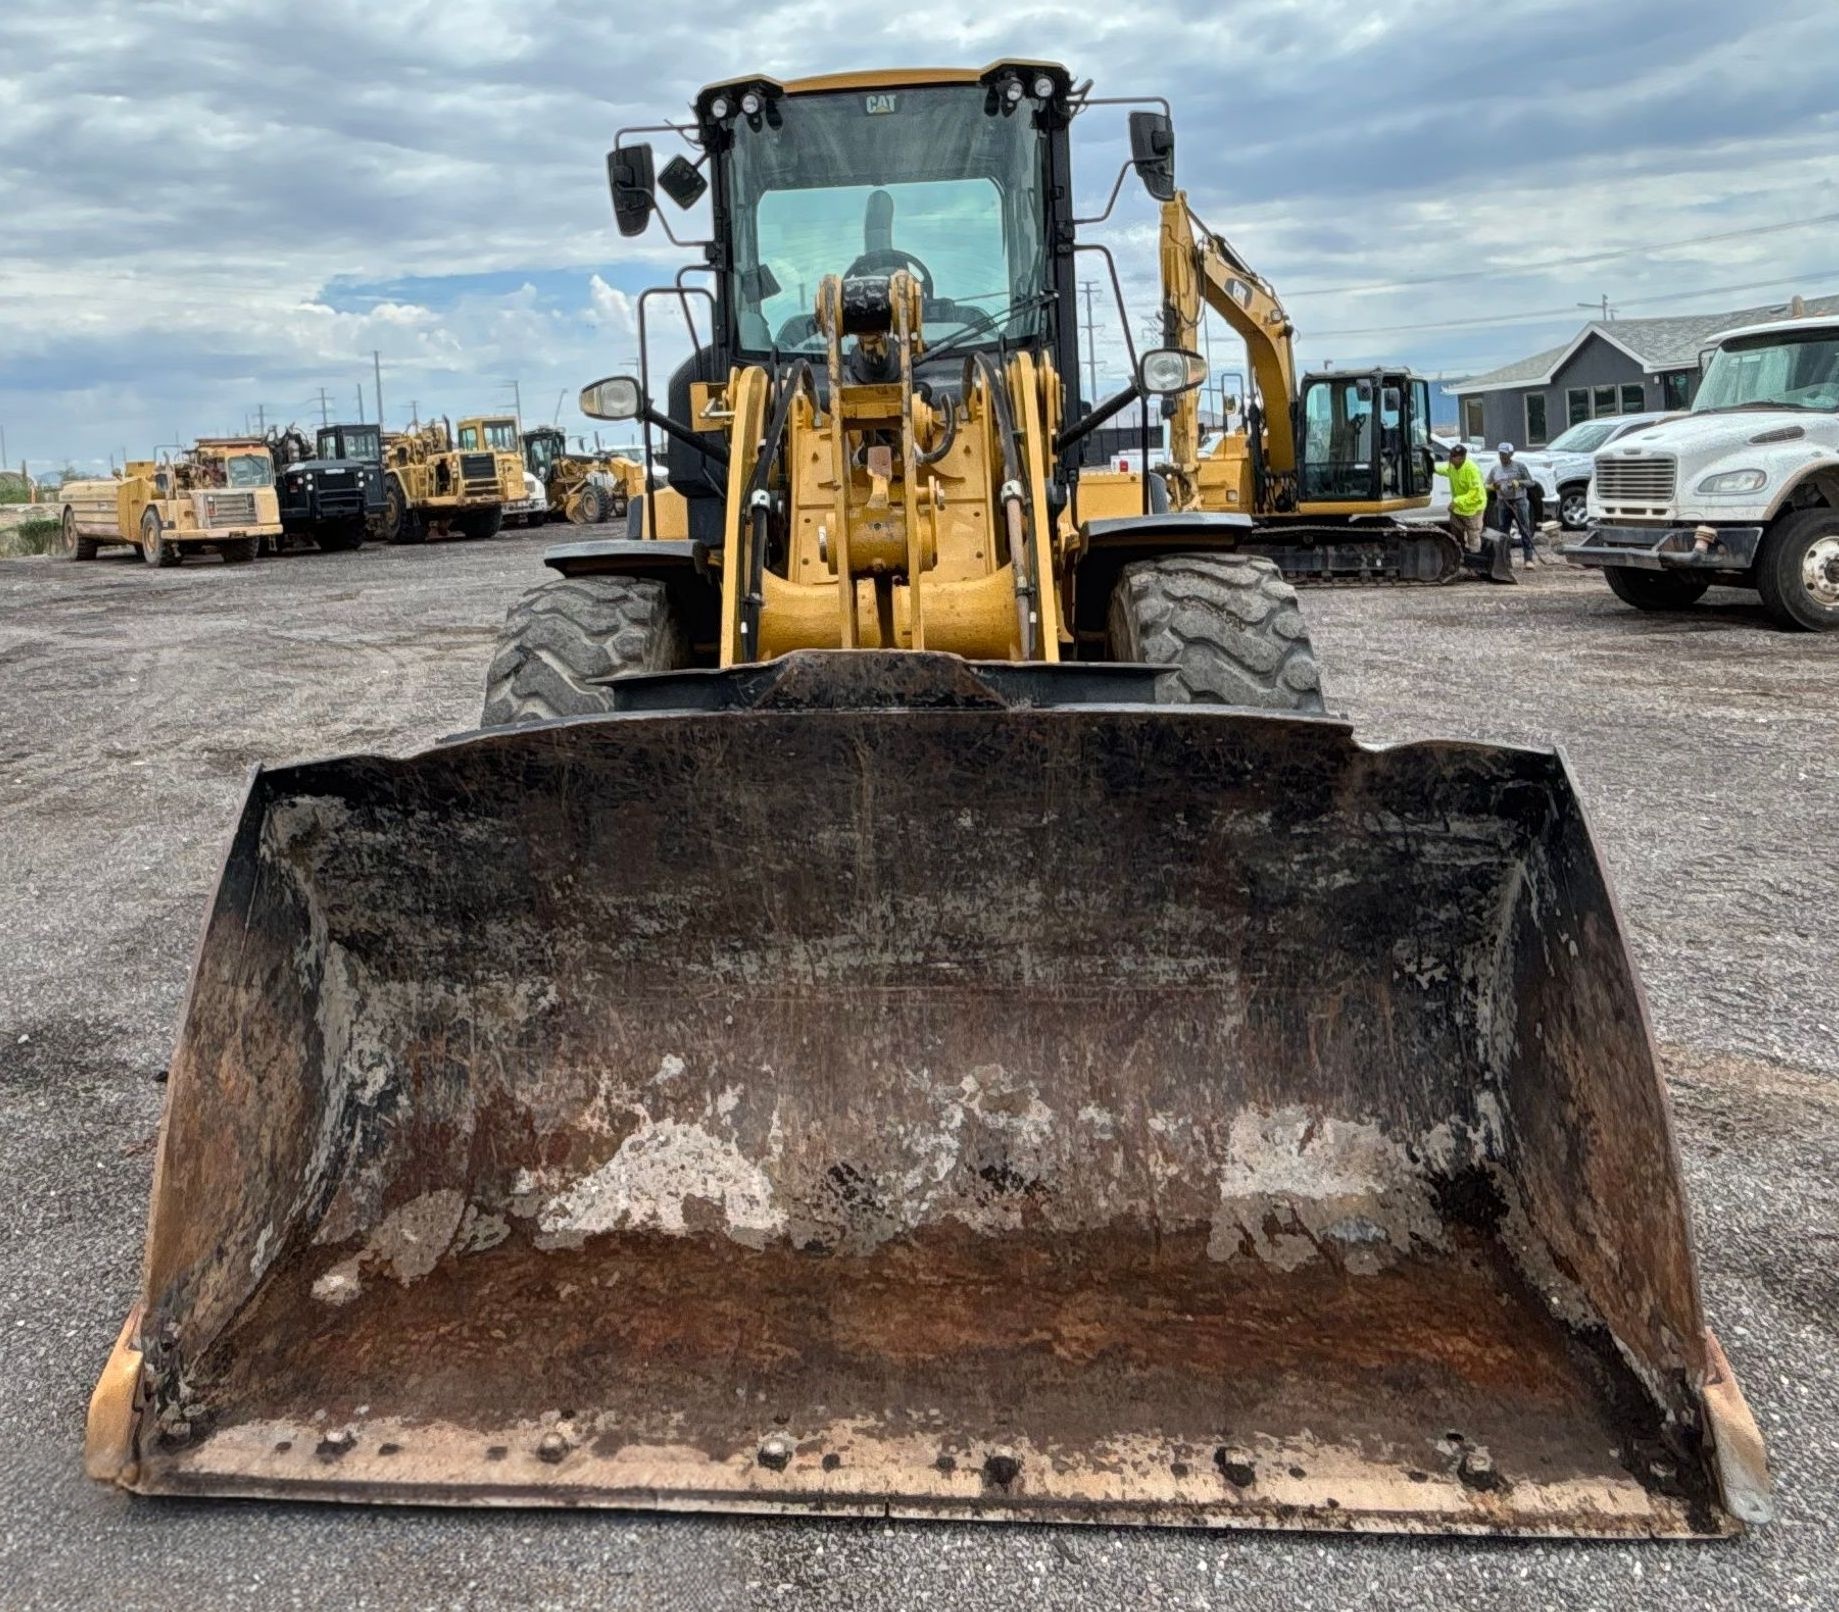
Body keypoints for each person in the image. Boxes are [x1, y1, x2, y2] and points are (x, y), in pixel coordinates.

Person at [1434, 443, 1512, 583]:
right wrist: (1430, 467)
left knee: (1473, 536)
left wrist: (1457, 501)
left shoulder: (1471, 470)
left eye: (1455, 457)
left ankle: (1476, 568)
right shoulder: (1451, 466)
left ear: (1463, 458)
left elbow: (1475, 492)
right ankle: (1459, 562)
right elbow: (1442, 469)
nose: (1452, 460)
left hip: (1473, 509)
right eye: (1451, 457)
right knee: (1456, 536)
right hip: (1458, 509)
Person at [1486, 442, 1538, 565]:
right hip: (1503, 502)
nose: (1502, 457)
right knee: (1503, 531)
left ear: (1511, 454)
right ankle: (1505, 560)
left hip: (1519, 501)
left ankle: (1528, 559)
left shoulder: (1520, 467)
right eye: (1500, 454)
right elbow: (1486, 484)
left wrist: (1519, 483)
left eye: (1505, 454)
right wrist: (1494, 486)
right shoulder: (1495, 469)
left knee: (1524, 529)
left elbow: (1531, 482)